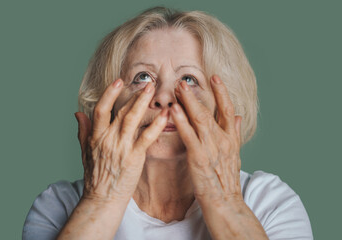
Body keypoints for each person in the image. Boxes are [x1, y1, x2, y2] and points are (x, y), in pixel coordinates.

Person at [23, 6, 313, 240]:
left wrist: (223, 199)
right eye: (143, 78)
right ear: (108, 104)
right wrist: (101, 199)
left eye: (188, 80)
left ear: (223, 107)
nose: (164, 97)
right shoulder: (58, 206)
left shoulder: (270, 203)